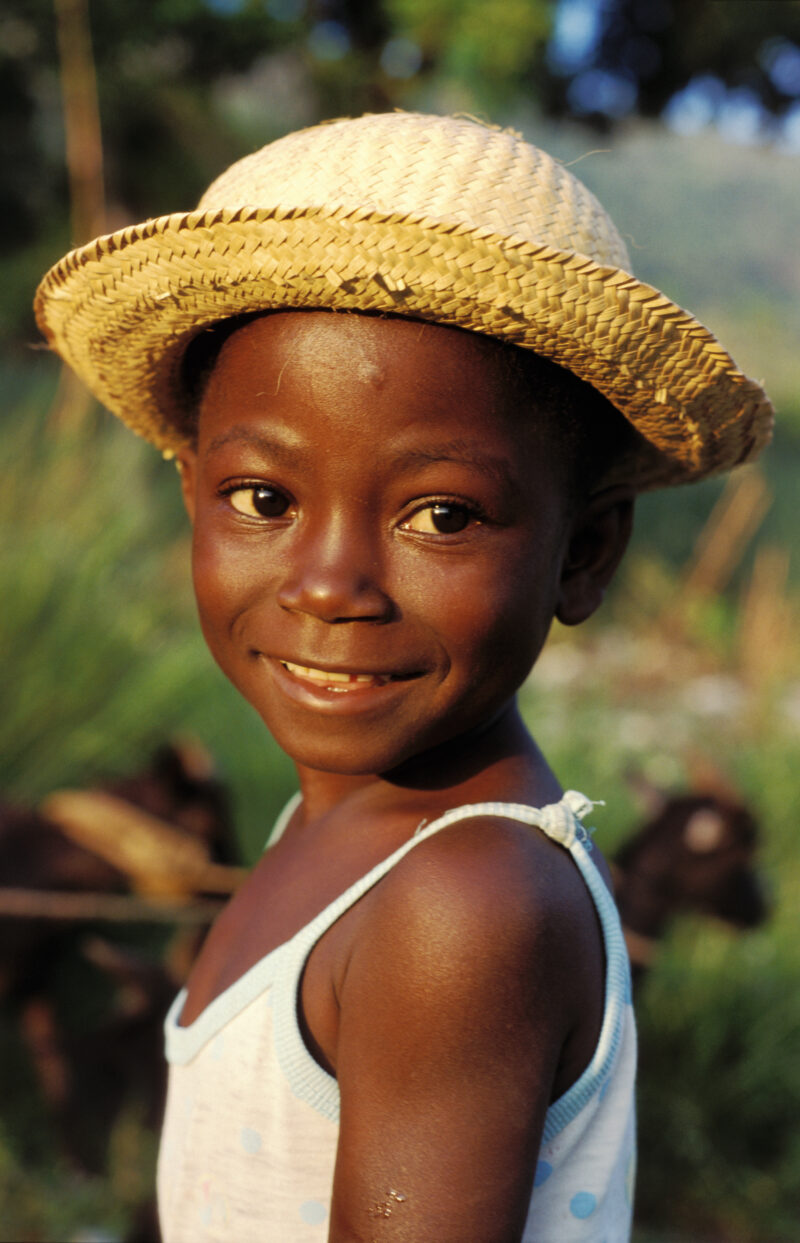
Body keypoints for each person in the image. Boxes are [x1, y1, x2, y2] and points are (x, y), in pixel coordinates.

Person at [35, 112, 772, 1243]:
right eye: (263, 499)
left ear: (584, 553)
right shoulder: (336, 827)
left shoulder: (457, 911)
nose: (331, 585)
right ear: (192, 493)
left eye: (441, 515)